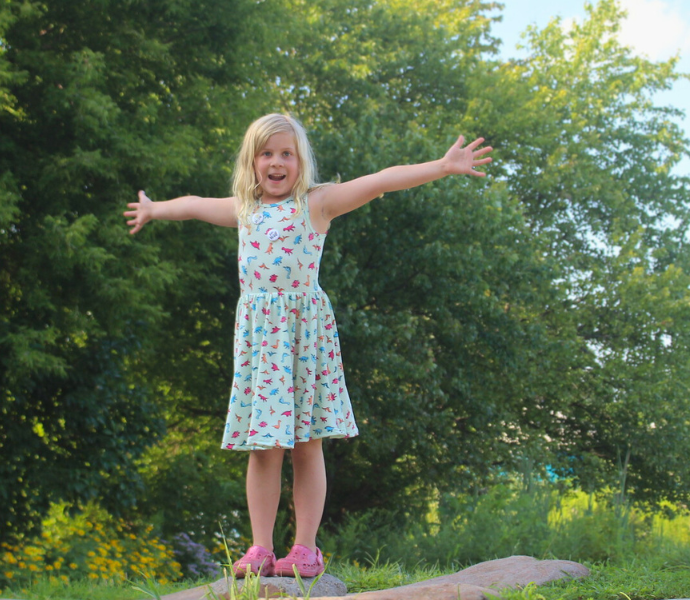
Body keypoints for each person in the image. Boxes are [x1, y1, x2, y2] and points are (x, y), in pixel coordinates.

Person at [124, 113, 492, 578]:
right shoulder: (244, 210)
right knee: (264, 448)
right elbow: (196, 204)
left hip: (304, 339)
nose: (276, 162)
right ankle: (259, 549)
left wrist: (440, 167)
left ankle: (304, 549)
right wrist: (156, 209)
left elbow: (378, 181)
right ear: (251, 162)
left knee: (306, 445)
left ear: (300, 162)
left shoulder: (315, 204)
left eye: (286, 154)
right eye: (266, 153)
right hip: (262, 347)